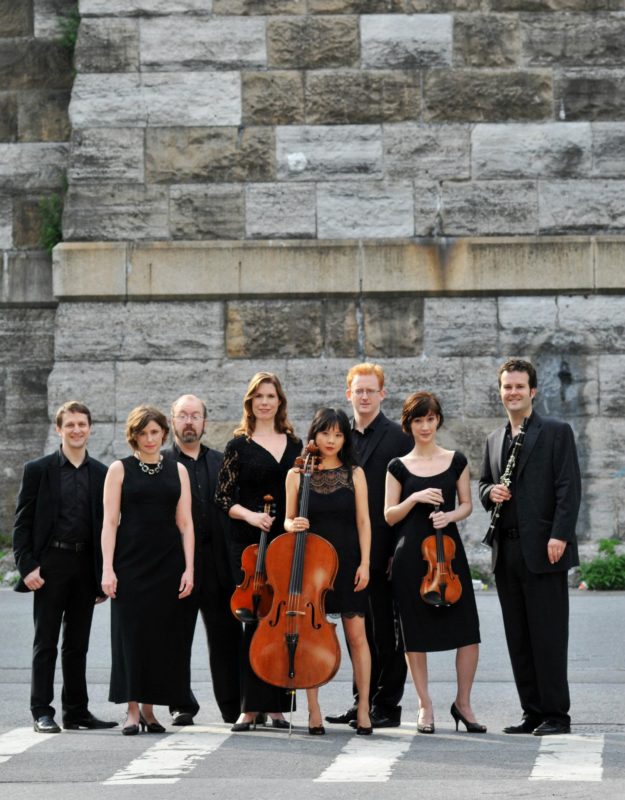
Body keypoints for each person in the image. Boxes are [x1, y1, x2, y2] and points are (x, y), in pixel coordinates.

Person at [479, 358, 581, 736]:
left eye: (520, 386)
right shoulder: (493, 439)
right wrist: (492, 492)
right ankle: (532, 711)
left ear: (533, 391)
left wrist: (560, 535)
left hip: (544, 549)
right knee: (519, 637)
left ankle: (556, 715)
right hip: (506, 554)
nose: (513, 392)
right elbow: (483, 484)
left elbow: (568, 488)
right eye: (507, 386)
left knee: (548, 636)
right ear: (501, 391)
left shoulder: (556, 431)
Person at [12, 400, 117, 733]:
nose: (76, 430)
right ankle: (42, 711)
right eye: (69, 425)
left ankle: (77, 711)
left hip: (85, 564)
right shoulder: (38, 470)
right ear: (59, 429)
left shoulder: (102, 473)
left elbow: (107, 525)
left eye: (81, 424)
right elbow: (22, 523)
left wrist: (103, 573)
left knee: (78, 645)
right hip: (50, 565)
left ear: (89, 429)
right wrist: (27, 565)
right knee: (45, 642)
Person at [385, 391, 485, 735]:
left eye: (430, 419)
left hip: (449, 556)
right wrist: (413, 498)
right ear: (409, 425)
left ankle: (464, 703)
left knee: (468, 632)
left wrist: (450, 516)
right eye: (418, 420)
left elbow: (468, 505)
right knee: (415, 634)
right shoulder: (397, 466)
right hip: (412, 558)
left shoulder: (456, 459)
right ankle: (425, 705)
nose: (425, 426)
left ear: (438, 420)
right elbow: (388, 515)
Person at [326, 363, 411, 729]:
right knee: (357, 632)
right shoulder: (340, 437)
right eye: (357, 391)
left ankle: (387, 704)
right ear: (349, 394)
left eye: (370, 390)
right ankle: (362, 699)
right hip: (349, 553)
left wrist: (397, 549)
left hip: (385, 550)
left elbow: (406, 496)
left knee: (386, 632)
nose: (363, 396)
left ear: (382, 394)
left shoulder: (399, 436)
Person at [215, 372, 301, 732]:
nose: (265, 402)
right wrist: (252, 515)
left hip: (286, 545)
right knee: (253, 622)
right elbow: (223, 498)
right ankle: (249, 708)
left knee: (282, 622)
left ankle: (278, 707)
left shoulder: (296, 445)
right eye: (259, 396)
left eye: (271, 396)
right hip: (248, 545)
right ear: (250, 403)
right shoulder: (238, 446)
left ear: (279, 401)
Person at [101, 405, 194, 735]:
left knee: (160, 638)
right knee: (130, 636)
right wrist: (107, 569)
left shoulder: (178, 470)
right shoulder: (119, 469)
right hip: (130, 563)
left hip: (168, 564)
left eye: (155, 432)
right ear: (134, 436)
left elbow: (185, 523)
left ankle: (151, 711)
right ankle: (131, 711)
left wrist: (189, 569)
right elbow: (110, 522)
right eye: (143, 433)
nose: (150, 438)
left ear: (164, 434)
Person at [285, 408, 373, 736]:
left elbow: (364, 521)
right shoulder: (297, 474)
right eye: (326, 433)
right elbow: (286, 519)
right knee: (310, 638)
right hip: (311, 567)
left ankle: (363, 707)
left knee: (357, 637)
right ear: (314, 435)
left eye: (338, 434)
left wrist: (365, 563)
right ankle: (313, 709)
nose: (332, 440)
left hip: (349, 562)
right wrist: (292, 524)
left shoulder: (354, 473)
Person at [163, 394, 241, 726]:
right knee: (177, 636)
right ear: (173, 421)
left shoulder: (223, 461)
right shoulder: (163, 464)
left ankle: (233, 706)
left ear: (205, 422)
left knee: (226, 636)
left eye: (196, 416)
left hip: (218, 560)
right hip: (178, 562)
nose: (189, 421)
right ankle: (181, 705)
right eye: (183, 415)